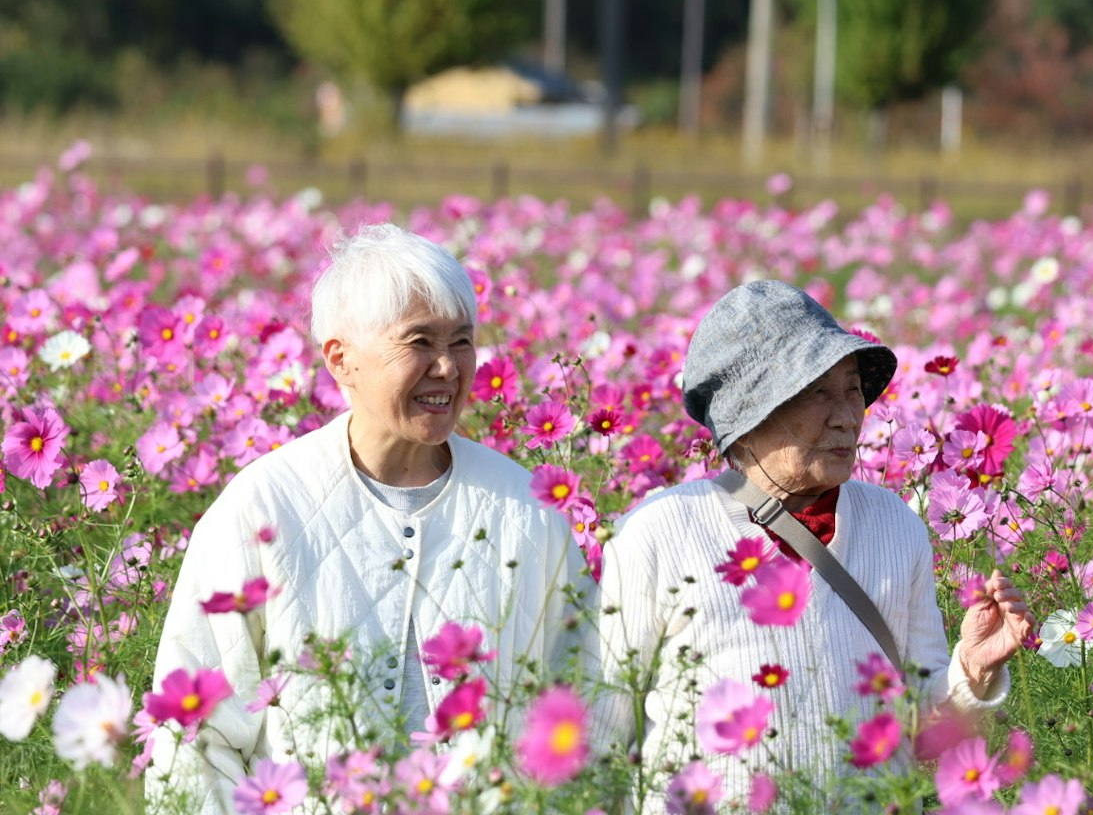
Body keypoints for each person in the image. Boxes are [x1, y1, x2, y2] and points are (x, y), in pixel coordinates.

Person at [147, 223, 589, 814]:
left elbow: (579, 707)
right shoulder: (263, 506)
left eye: (461, 341)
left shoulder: (524, 509)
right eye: (420, 341)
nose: (447, 368)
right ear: (341, 360)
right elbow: (194, 740)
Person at [594, 280, 1031, 810]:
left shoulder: (893, 524)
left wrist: (973, 670)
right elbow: (603, 735)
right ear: (748, 415)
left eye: (852, 389)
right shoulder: (659, 533)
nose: (847, 415)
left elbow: (920, 719)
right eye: (816, 392)